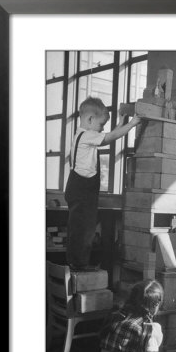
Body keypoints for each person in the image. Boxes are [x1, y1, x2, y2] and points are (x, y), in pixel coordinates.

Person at [65, 97, 141, 271]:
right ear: (90, 119)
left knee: (87, 229)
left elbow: (107, 135)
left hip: (83, 189)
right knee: (81, 231)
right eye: (101, 124)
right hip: (81, 189)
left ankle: (79, 263)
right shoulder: (85, 136)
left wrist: (121, 122)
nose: (102, 128)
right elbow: (109, 138)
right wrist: (132, 124)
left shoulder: (86, 134)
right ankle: (78, 265)